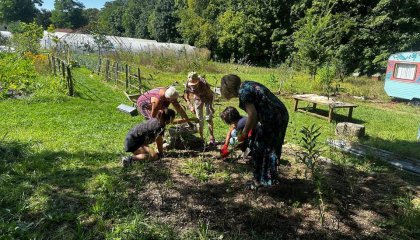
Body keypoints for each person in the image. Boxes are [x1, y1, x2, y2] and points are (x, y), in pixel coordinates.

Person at [220, 74, 289, 188]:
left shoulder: (244, 93)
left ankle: (263, 181)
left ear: (229, 89)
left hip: (273, 119)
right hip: (279, 115)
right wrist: (248, 132)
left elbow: (252, 115)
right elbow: (255, 117)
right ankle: (268, 180)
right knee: (270, 147)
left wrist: (244, 134)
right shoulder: (247, 85)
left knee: (261, 148)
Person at [184, 72, 215, 145]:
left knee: (208, 118)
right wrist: (190, 106)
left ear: (198, 81)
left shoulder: (204, 84)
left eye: (195, 84)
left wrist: (210, 107)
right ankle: (201, 139)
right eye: (192, 85)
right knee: (199, 120)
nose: (193, 87)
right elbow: (187, 97)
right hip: (197, 99)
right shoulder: (187, 84)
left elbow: (210, 96)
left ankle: (211, 137)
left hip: (208, 98)